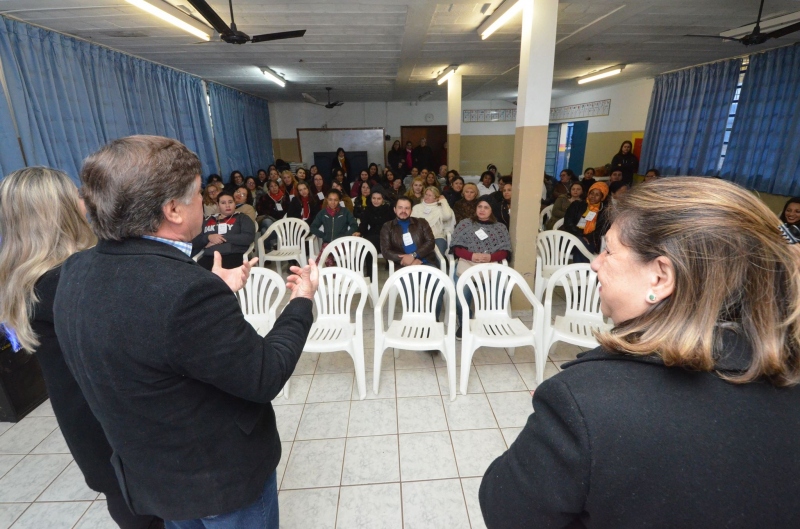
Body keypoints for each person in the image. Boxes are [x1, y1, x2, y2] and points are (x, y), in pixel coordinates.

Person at [481, 176, 800, 528]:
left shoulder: (586, 403)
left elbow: (505, 511)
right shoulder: (788, 375)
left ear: (661, 278)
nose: (595, 264)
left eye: (608, 250)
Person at [54, 135, 318, 527]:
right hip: (217, 482)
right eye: (198, 195)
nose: (207, 204)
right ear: (173, 209)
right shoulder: (184, 292)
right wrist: (300, 303)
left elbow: (147, 336)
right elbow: (263, 375)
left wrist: (211, 289)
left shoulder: (75, 272)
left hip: (156, 478)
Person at [0, 167, 162, 529]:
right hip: (115, 424)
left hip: (83, 422)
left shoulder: (23, 279)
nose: (84, 200)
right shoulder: (70, 278)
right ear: (56, 210)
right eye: (75, 194)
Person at [450, 197, 511, 336]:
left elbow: (505, 251)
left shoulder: (500, 228)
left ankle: (491, 321)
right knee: (460, 297)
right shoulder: (465, 224)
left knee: (498, 293)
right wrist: (471, 255)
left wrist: (491, 257)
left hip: (490, 266)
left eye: (486, 207)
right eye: (479, 206)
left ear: (492, 210)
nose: (482, 210)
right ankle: (465, 322)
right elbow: (456, 248)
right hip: (467, 264)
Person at [194, 191, 256, 269]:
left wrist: (222, 238)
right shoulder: (208, 219)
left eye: (230, 202)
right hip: (209, 256)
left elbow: (248, 237)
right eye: (223, 203)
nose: (227, 205)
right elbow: (195, 241)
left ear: (235, 204)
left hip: (232, 255)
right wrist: (209, 237)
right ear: (218, 205)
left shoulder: (242, 218)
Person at [380, 196, 438, 269]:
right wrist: (406, 260)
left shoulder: (422, 222)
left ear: (411, 210)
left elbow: (430, 242)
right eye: (400, 207)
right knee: (410, 279)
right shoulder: (387, 227)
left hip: (424, 261)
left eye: (407, 208)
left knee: (432, 278)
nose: (403, 211)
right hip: (402, 264)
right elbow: (385, 250)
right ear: (395, 209)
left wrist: (414, 256)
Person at [562, 181, 609, 260]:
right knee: (581, 242)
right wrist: (581, 235)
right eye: (592, 193)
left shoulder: (604, 211)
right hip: (572, 235)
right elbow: (568, 223)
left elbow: (602, 229)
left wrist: (589, 236)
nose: (593, 196)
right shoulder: (577, 205)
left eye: (597, 195)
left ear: (602, 197)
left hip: (592, 239)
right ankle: (582, 271)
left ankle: (578, 270)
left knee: (582, 244)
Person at [353, 189, 394, 278]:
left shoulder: (388, 209)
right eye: (374, 198)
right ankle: (369, 276)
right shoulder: (368, 209)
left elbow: (393, 225)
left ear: (383, 199)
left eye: (378, 199)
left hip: (386, 237)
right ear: (370, 198)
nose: (376, 201)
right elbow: (363, 224)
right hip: (372, 235)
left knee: (368, 243)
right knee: (368, 245)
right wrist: (359, 232)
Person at [310, 189, 358, 262]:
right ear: (326, 200)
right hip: (327, 243)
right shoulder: (323, 213)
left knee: (326, 252)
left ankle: (318, 267)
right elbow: (313, 227)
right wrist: (323, 235)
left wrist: (345, 236)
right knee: (328, 253)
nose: (333, 202)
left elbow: (354, 225)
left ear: (339, 200)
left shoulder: (345, 212)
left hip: (342, 243)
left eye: (335, 200)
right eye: (330, 200)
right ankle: (332, 272)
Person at [412, 186, 453, 255]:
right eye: (426, 194)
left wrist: (443, 201)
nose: (427, 197)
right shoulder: (417, 207)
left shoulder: (440, 208)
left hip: (436, 237)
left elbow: (447, 216)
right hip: (420, 237)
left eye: (430, 195)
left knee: (438, 255)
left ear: (436, 198)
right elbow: (412, 223)